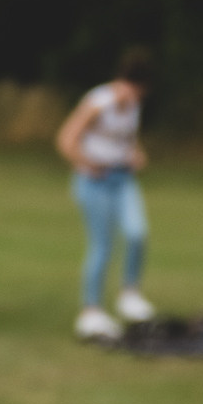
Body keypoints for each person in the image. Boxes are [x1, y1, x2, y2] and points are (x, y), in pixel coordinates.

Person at [57, 48, 156, 340]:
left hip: (123, 178)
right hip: (93, 182)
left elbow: (127, 140)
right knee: (102, 245)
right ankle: (91, 312)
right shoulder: (98, 102)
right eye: (134, 91)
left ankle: (130, 294)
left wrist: (137, 155)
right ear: (124, 83)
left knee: (138, 233)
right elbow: (65, 139)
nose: (135, 97)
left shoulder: (134, 106)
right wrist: (88, 164)